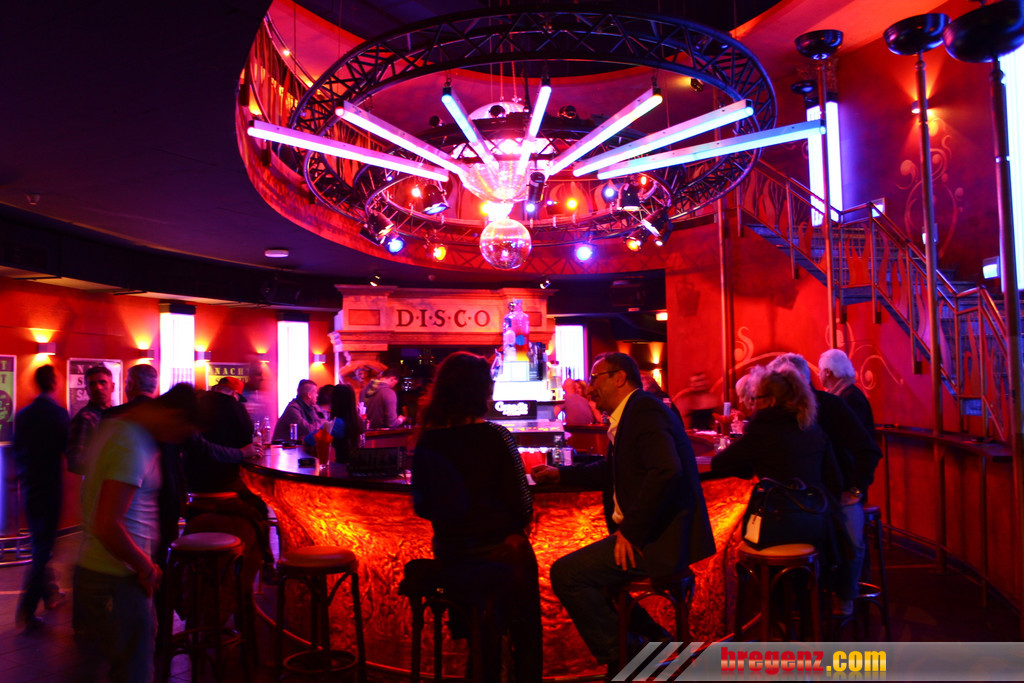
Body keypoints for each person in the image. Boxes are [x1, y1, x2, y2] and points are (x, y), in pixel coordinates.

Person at [536, 352, 715, 674]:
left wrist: (631, 532)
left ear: (619, 378)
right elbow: (614, 470)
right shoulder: (632, 413)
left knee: (567, 574)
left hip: (659, 540)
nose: (590, 387)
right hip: (650, 536)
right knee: (596, 581)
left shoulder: (644, 410)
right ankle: (655, 644)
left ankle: (629, 655)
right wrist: (561, 474)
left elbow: (666, 471)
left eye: (595, 377)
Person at [412, 352, 542, 682]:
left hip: (452, 555)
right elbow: (522, 505)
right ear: (482, 391)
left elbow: (422, 507)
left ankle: (482, 660)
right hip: (500, 555)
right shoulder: (497, 436)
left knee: (479, 627)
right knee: (526, 631)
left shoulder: (428, 440)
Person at [74, 383, 200, 683]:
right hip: (118, 578)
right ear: (173, 415)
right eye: (182, 432)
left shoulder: (114, 427)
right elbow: (108, 524)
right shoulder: (131, 443)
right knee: (134, 673)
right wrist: (146, 567)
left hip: (99, 571)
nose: (178, 440)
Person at [769, 352, 882, 617]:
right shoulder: (779, 412)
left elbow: (868, 450)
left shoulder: (833, 406)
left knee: (851, 542)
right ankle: (793, 605)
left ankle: (845, 595)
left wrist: (855, 489)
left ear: (801, 379)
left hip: (838, 490)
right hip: (801, 498)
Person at [13, 365, 71, 629]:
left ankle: (50, 594)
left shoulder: (24, 415)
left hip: (30, 487)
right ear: (54, 383)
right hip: (51, 488)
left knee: (40, 541)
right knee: (43, 547)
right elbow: (68, 451)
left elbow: (17, 450)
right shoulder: (59, 414)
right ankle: (26, 610)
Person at [818, 349, 877, 439]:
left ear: (828, 372)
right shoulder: (846, 393)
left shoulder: (851, 397)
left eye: (820, 370)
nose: (818, 374)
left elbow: (851, 434)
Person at [67, 364, 114, 474]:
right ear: (87, 389)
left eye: (102, 382)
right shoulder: (85, 418)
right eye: (92, 384)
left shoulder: (115, 414)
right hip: (99, 481)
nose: (98, 388)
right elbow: (75, 462)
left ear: (112, 387)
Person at [305, 383, 364, 464]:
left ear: (336, 401)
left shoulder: (337, 424)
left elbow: (310, 440)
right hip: (356, 466)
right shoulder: (359, 420)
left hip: (342, 468)